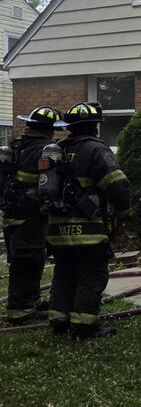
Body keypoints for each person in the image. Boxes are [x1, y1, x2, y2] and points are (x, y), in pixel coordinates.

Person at [47, 102, 131, 338]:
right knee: (91, 275)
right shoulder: (96, 149)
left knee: (64, 272)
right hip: (89, 229)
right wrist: (124, 212)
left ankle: (59, 321)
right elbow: (118, 184)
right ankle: (84, 326)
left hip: (57, 230)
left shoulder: (57, 149)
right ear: (95, 126)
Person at [2, 106, 61, 323]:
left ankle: (32, 300)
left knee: (25, 261)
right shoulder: (46, 149)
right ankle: (20, 310)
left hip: (10, 215)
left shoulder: (15, 147)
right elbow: (49, 187)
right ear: (49, 130)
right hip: (30, 216)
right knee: (28, 262)